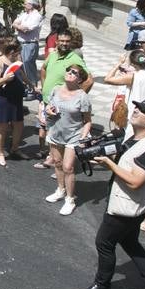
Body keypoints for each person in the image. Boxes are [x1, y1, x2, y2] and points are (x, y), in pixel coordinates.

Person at [76, 99, 145, 289]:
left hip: (127, 208)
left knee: (104, 243)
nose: (136, 110)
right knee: (131, 244)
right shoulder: (134, 138)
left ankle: (101, 285)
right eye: (137, 108)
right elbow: (125, 164)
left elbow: (136, 181)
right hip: (127, 204)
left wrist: (108, 163)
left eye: (143, 111)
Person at [43, 66, 91, 215]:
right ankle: (60, 190)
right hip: (55, 132)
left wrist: (83, 137)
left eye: (74, 73)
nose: (70, 73)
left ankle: (70, 199)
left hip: (73, 135)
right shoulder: (56, 89)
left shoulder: (82, 96)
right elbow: (48, 107)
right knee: (57, 163)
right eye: (68, 71)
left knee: (68, 167)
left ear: (80, 79)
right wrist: (47, 111)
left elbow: (88, 121)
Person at [0, 37, 27, 168]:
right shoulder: (0, 62)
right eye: (18, 51)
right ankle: (1, 153)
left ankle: (15, 149)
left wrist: (31, 84)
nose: (19, 53)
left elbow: (22, 74)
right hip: (3, 99)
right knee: (2, 127)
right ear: (12, 51)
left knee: (19, 124)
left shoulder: (17, 61)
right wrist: (5, 79)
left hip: (16, 98)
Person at [12, 0, 44, 98]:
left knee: (28, 67)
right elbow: (14, 23)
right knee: (21, 66)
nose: (24, 6)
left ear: (31, 5)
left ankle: (33, 89)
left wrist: (19, 26)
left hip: (30, 44)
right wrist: (19, 26)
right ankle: (26, 88)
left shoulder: (37, 16)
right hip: (21, 43)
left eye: (25, 4)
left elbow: (27, 29)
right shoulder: (24, 14)